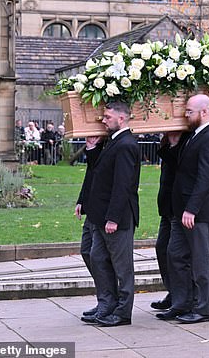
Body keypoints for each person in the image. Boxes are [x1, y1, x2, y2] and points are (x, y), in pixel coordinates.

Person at [161, 94, 209, 324]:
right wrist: (174, 143)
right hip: (182, 212)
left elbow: (206, 177)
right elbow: (178, 166)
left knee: (200, 262)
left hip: (198, 213)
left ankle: (203, 309)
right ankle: (182, 303)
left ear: (204, 112)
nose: (185, 115)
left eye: (189, 111)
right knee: (174, 255)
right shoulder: (193, 136)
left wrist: (192, 209)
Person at [82, 101, 141, 326]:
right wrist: (92, 149)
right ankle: (106, 303)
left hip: (118, 218)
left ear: (122, 119)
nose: (103, 121)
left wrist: (113, 218)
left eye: (107, 117)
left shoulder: (126, 144)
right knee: (97, 258)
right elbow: (101, 173)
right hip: (102, 216)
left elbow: (123, 185)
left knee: (122, 267)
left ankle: (123, 312)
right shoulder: (113, 142)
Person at [151, 131, 184, 311]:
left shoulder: (185, 142)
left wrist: (173, 143)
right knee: (162, 248)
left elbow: (179, 167)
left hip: (178, 206)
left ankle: (183, 295)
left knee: (175, 253)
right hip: (167, 206)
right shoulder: (169, 143)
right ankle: (174, 291)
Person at [75, 135, 104, 323]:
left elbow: (101, 174)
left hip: (102, 208)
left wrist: (94, 149)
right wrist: (81, 200)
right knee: (86, 250)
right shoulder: (99, 146)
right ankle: (105, 297)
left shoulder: (111, 145)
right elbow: (90, 174)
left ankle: (108, 300)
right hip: (91, 205)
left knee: (98, 256)